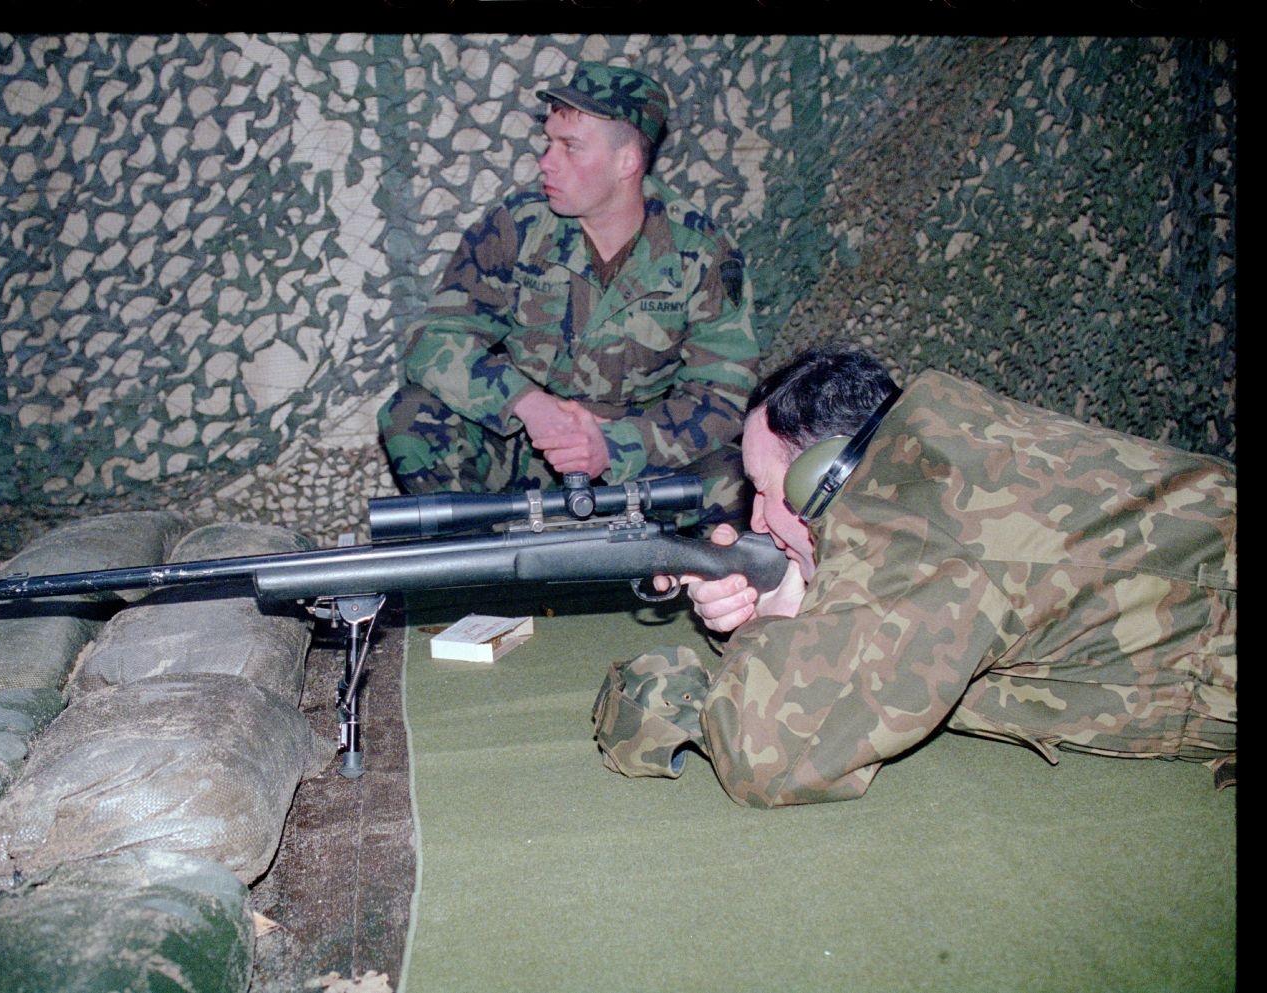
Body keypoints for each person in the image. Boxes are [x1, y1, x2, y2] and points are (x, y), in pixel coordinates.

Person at [592, 345, 1237, 806]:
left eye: (766, 491)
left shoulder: (920, 540)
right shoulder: (938, 446)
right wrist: (797, 601)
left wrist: (661, 688)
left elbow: (766, 752)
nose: (757, 515)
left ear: (827, 479)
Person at [378, 61, 768, 530]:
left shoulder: (700, 249)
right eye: (549, 142)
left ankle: (704, 592)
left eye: (570, 147)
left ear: (627, 162)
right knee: (411, 418)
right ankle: (484, 584)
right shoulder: (516, 228)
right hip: (529, 455)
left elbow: (723, 394)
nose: (547, 162)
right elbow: (433, 340)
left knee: (735, 477)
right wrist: (527, 404)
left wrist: (618, 445)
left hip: (641, 463)